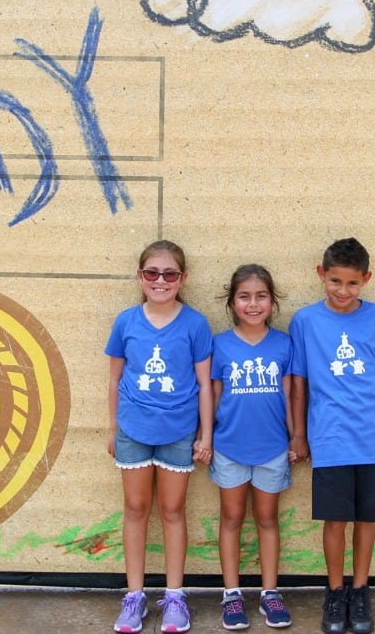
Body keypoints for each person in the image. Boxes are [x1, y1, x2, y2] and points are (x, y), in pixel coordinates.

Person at [288, 238, 375, 634]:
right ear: (321, 275)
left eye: (352, 283)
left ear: (366, 279)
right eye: (335, 281)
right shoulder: (305, 321)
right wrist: (299, 434)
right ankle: (335, 592)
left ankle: (360, 589)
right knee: (336, 519)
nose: (342, 291)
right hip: (329, 435)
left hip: (370, 435)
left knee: (366, 518)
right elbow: (298, 381)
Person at [106, 240, 214, 634]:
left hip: (178, 432)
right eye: (152, 273)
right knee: (136, 509)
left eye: (170, 273)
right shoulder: (126, 322)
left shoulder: (195, 324)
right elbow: (115, 378)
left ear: (182, 278)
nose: (161, 280)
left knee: (172, 511)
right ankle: (134, 597)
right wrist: (114, 429)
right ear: (140, 277)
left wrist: (206, 434)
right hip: (134, 430)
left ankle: (174, 597)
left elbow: (205, 384)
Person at [208, 264, 307, 630]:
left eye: (261, 296)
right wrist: (207, 437)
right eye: (244, 296)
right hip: (230, 447)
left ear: (272, 301)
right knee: (231, 519)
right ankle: (231, 594)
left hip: (272, 449)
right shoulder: (219, 344)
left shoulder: (283, 344)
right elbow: (213, 396)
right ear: (232, 302)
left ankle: (269, 592)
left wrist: (296, 436)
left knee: (267, 519)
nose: (253, 304)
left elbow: (290, 393)